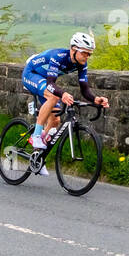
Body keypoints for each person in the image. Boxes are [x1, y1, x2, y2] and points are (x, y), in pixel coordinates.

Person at [21, 33, 109, 175]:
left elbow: (85, 89)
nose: (87, 57)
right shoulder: (58, 57)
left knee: (55, 120)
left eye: (89, 54)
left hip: (44, 80)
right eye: (84, 53)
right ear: (73, 49)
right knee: (54, 98)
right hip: (31, 74)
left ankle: (37, 156)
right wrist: (63, 94)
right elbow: (50, 84)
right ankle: (36, 136)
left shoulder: (81, 64)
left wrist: (95, 99)